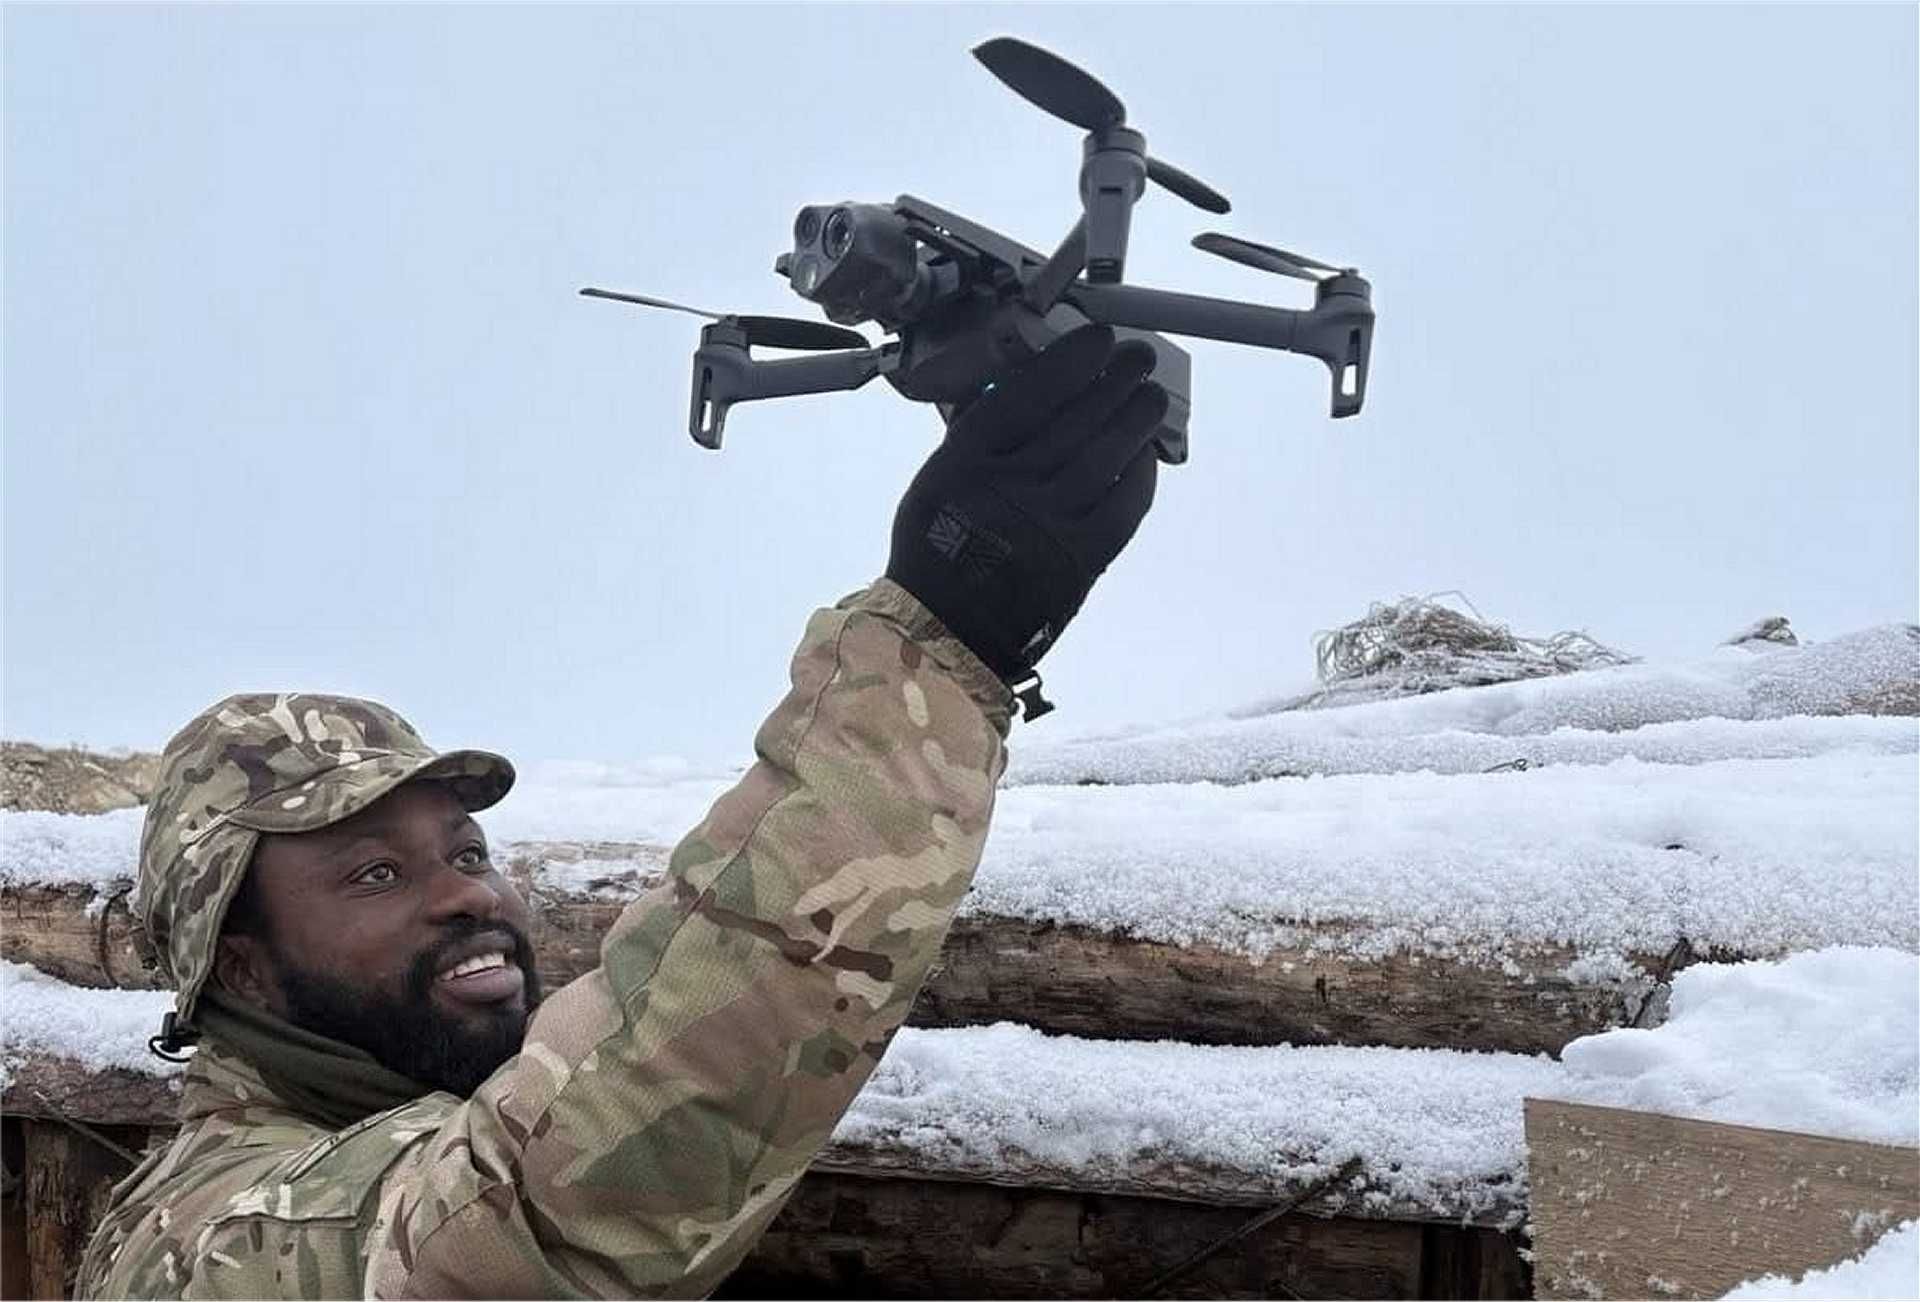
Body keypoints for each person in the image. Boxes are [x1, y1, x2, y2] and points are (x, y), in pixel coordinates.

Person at [77, 324, 1168, 1299]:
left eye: (465, 847)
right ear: (243, 970)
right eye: (375, 872)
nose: (464, 891)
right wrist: (940, 644)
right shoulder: (201, 1246)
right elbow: (523, 1221)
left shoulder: (399, 1120)